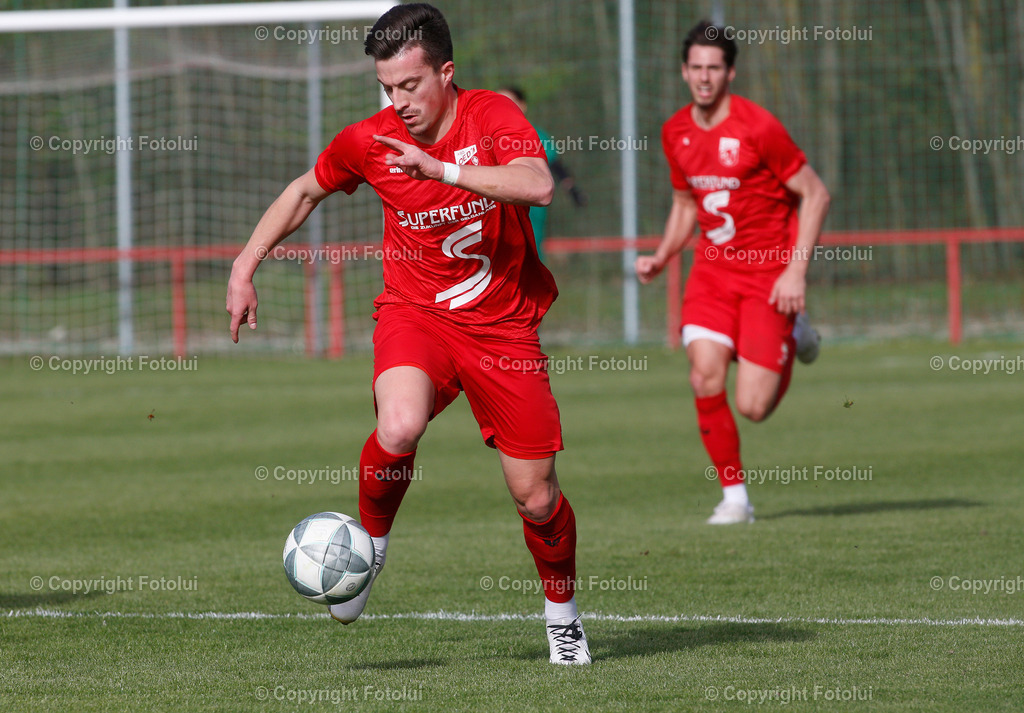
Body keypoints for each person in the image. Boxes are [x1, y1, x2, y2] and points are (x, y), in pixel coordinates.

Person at [226, 4, 590, 665]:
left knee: (536, 495)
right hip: (415, 314)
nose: (398, 102)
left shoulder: (493, 117)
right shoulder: (372, 139)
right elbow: (306, 191)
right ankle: (370, 545)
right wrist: (245, 263)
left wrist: (441, 169)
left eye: (410, 86)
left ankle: (562, 614)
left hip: (503, 328)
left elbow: (538, 185)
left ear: (445, 74)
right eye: (386, 88)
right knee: (398, 425)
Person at [635, 20, 830, 525]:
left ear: (730, 73)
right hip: (713, 274)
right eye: (696, 67)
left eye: (714, 68)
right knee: (703, 375)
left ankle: (796, 329)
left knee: (754, 406)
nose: (704, 77)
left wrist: (796, 274)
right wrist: (662, 254)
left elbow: (815, 194)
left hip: (769, 275)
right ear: (684, 71)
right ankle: (735, 498)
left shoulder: (758, 127)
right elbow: (685, 205)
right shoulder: (675, 131)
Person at [496, 86, 587, 262]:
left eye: (509, 102)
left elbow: (555, 165)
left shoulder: (535, 135)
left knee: (530, 256)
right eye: (498, 103)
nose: (503, 108)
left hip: (529, 211)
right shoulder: (483, 136)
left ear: (523, 106)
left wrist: (573, 190)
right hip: (495, 209)